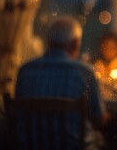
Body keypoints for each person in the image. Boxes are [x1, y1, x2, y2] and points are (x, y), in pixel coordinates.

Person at [15, 16, 108, 150]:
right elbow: (100, 119)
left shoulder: (25, 70)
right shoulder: (84, 72)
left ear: (48, 42)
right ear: (76, 43)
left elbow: (20, 116)